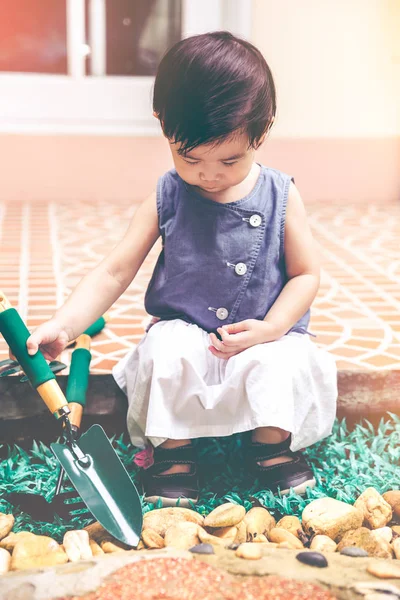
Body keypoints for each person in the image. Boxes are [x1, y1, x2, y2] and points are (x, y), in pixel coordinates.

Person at [25, 31, 338, 507]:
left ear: (264, 129)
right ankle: (174, 452)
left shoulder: (280, 193)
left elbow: (305, 275)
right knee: (165, 352)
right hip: (188, 330)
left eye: (229, 160)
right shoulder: (168, 194)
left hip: (261, 331)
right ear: (162, 124)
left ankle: (271, 447)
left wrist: (273, 327)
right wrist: (65, 326)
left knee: (284, 361)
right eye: (189, 158)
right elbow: (115, 270)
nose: (209, 174)